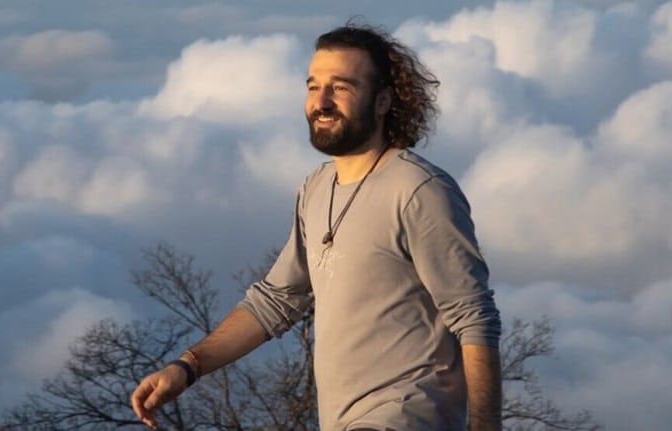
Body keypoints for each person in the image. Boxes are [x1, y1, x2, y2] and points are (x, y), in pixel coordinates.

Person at [131, 22, 502, 431]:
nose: (321, 102)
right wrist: (186, 367)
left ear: (383, 101)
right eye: (313, 87)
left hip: (406, 416)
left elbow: (474, 318)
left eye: (340, 87)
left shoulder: (419, 190)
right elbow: (275, 301)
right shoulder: (317, 187)